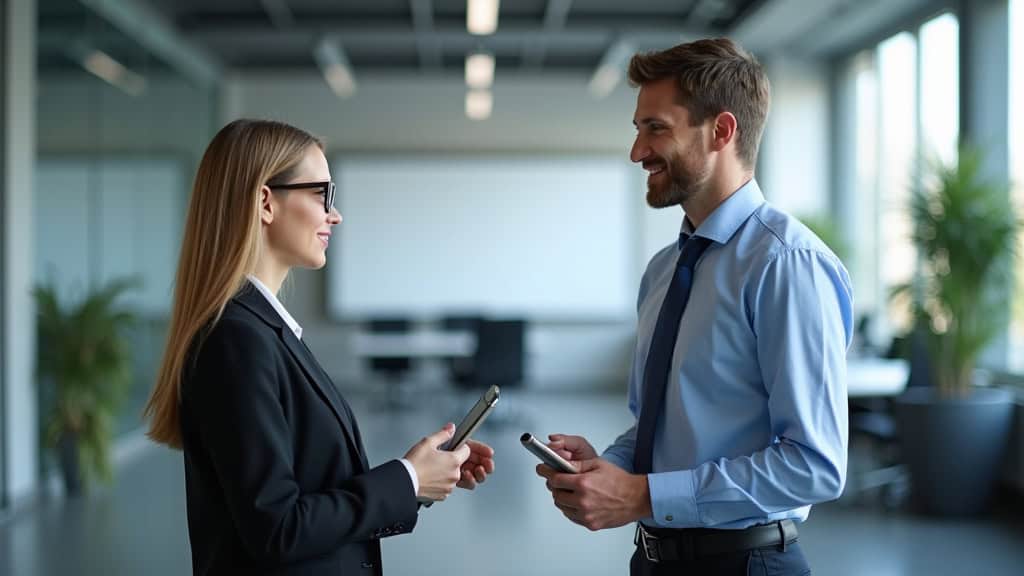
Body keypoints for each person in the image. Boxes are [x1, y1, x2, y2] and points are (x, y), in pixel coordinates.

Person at [535, 38, 852, 575]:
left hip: (746, 564)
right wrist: (607, 469)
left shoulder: (786, 264)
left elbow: (814, 466)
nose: (637, 152)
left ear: (721, 132)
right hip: (655, 560)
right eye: (637, 130)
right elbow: (658, 428)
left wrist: (644, 497)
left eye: (655, 128)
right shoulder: (665, 269)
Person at [144, 119, 495, 575]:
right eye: (321, 195)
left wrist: (418, 480)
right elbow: (277, 528)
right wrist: (406, 478)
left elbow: (310, 495)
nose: (336, 214)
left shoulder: (262, 330)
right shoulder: (236, 340)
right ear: (266, 202)